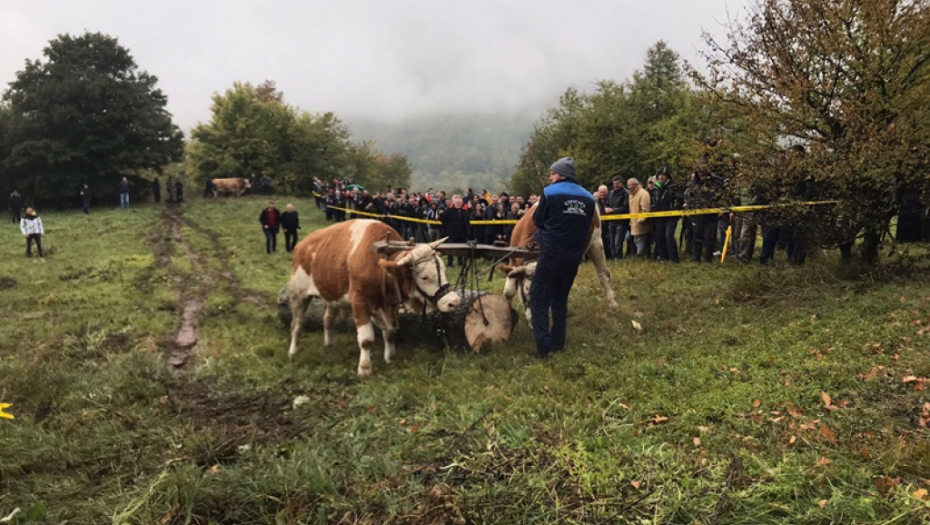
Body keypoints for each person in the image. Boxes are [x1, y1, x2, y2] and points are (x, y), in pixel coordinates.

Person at [529, 157, 596, 359]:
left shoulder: (550, 193)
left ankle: (544, 348)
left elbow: (537, 220)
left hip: (550, 255)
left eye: (553, 173)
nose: (550, 177)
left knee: (538, 299)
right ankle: (559, 344)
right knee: (560, 300)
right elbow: (586, 227)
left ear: (562, 174)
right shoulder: (589, 198)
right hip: (573, 258)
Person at [651, 168, 683, 263]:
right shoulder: (655, 189)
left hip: (671, 218)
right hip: (658, 218)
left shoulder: (673, 187)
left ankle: (674, 258)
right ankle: (663, 257)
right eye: (659, 174)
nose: (661, 176)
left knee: (668, 236)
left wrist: (673, 210)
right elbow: (653, 202)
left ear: (667, 176)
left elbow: (679, 201)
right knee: (660, 237)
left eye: (663, 175)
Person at [605, 176, 631, 259]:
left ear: (621, 183)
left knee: (618, 243)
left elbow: (625, 208)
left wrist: (613, 210)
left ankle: (618, 258)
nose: (615, 185)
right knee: (611, 243)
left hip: (621, 222)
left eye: (617, 184)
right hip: (611, 221)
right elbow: (607, 203)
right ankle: (613, 258)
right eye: (614, 184)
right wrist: (606, 208)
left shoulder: (626, 193)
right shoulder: (611, 193)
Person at [628, 178, 652, 256]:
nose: (628, 188)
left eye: (630, 186)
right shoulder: (631, 194)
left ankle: (641, 257)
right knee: (636, 240)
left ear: (635, 185)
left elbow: (645, 209)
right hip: (634, 222)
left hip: (641, 223)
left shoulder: (643, 194)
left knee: (642, 241)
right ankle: (641, 255)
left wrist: (641, 219)